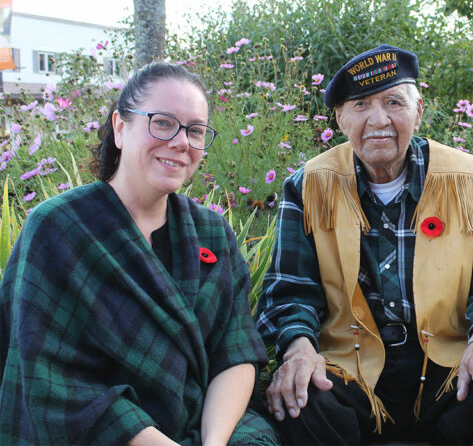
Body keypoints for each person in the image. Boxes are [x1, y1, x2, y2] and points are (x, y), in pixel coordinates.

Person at [256, 45, 473, 445]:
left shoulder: (467, 178)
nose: (378, 120)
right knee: (301, 404)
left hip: (446, 359)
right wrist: (299, 350)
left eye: (393, 102)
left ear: (418, 110)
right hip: (347, 364)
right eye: (360, 105)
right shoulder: (309, 186)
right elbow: (291, 289)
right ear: (339, 118)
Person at [0, 62, 278, 446]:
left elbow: (235, 352)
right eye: (163, 122)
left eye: (195, 130)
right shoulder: (58, 229)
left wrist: (213, 443)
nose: (182, 142)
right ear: (119, 127)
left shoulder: (213, 233)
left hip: (208, 427)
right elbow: (55, 384)